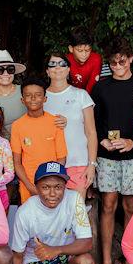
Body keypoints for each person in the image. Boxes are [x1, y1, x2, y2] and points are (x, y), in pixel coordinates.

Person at [0, 162, 94, 264]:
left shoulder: (75, 200)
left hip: (63, 259)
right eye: (45, 187)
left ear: (65, 186)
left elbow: (87, 243)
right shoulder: (26, 212)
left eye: (58, 187)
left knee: (87, 263)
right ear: (36, 187)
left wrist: (56, 250)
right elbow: (17, 257)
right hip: (34, 263)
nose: (52, 193)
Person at [91, 36, 133, 264]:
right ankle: (106, 261)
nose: (118, 66)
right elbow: (93, 122)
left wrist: (132, 142)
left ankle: (130, 260)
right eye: (113, 63)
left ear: (131, 59)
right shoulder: (101, 87)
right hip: (107, 156)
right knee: (108, 205)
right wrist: (102, 141)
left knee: (131, 207)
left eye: (122, 61)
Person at [44, 52, 98, 200]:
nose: (57, 68)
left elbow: (91, 132)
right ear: (47, 71)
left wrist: (92, 164)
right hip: (49, 164)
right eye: (52, 64)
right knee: (53, 215)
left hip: (78, 163)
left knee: (77, 213)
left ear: (69, 69)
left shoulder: (81, 95)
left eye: (62, 64)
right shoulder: (40, 98)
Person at [11, 76, 67, 203]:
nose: (33, 98)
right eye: (28, 95)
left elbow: (61, 158)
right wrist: (30, 186)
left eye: (38, 95)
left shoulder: (55, 122)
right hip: (28, 184)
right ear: (22, 100)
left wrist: (52, 183)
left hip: (52, 185)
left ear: (45, 98)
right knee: (31, 220)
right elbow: (17, 162)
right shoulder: (17, 125)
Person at [67, 26, 102, 93]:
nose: (84, 54)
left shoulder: (96, 59)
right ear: (71, 49)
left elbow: (91, 86)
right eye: (80, 50)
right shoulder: (65, 61)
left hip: (89, 96)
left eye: (87, 50)